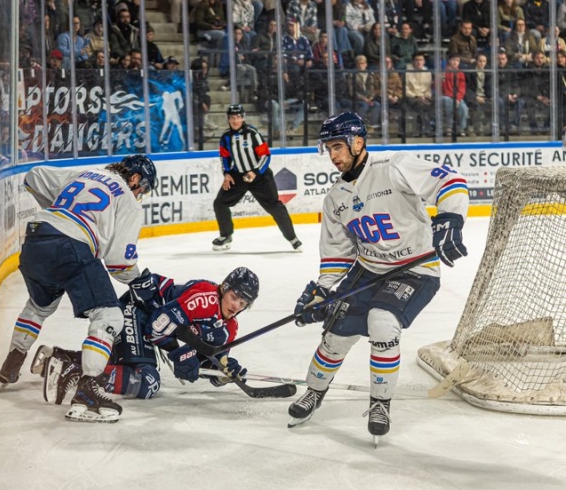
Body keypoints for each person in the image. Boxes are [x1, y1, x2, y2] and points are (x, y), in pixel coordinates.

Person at [286, 112, 469, 443]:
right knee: (336, 333)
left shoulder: (393, 167)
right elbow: (337, 255)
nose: (334, 155)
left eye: (338, 146)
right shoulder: (335, 199)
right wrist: (321, 293)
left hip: (415, 269)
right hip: (367, 270)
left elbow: (451, 181)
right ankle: (314, 392)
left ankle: (380, 404)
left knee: (382, 321)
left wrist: (451, 218)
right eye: (328, 149)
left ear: (358, 142)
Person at [0, 155, 158, 423]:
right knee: (109, 315)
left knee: (40, 305)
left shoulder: (86, 174)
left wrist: (61, 213)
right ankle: (88, 389)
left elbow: (33, 177)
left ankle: (12, 362)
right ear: (135, 177)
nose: (140, 194)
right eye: (144, 187)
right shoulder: (128, 200)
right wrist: (140, 281)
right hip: (70, 247)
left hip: (36, 237)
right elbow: (119, 263)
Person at [32, 267, 258, 405]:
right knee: (147, 382)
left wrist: (223, 372)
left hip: (147, 322)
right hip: (138, 310)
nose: (236, 305)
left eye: (243, 302)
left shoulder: (230, 329)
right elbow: (155, 327)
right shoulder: (205, 299)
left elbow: (207, 359)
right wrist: (178, 353)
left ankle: (57, 358)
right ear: (224, 288)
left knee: (121, 364)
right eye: (234, 296)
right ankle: (76, 372)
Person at [211, 104, 302, 252]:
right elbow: (224, 157)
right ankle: (226, 236)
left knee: (275, 206)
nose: (235, 121)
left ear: (243, 117)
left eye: (238, 117)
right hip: (238, 177)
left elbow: (265, 156)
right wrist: (227, 173)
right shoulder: (226, 137)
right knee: (220, 203)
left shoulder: (252, 133)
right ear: (228, 119)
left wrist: (255, 172)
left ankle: (293, 238)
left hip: (260, 177)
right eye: (232, 118)